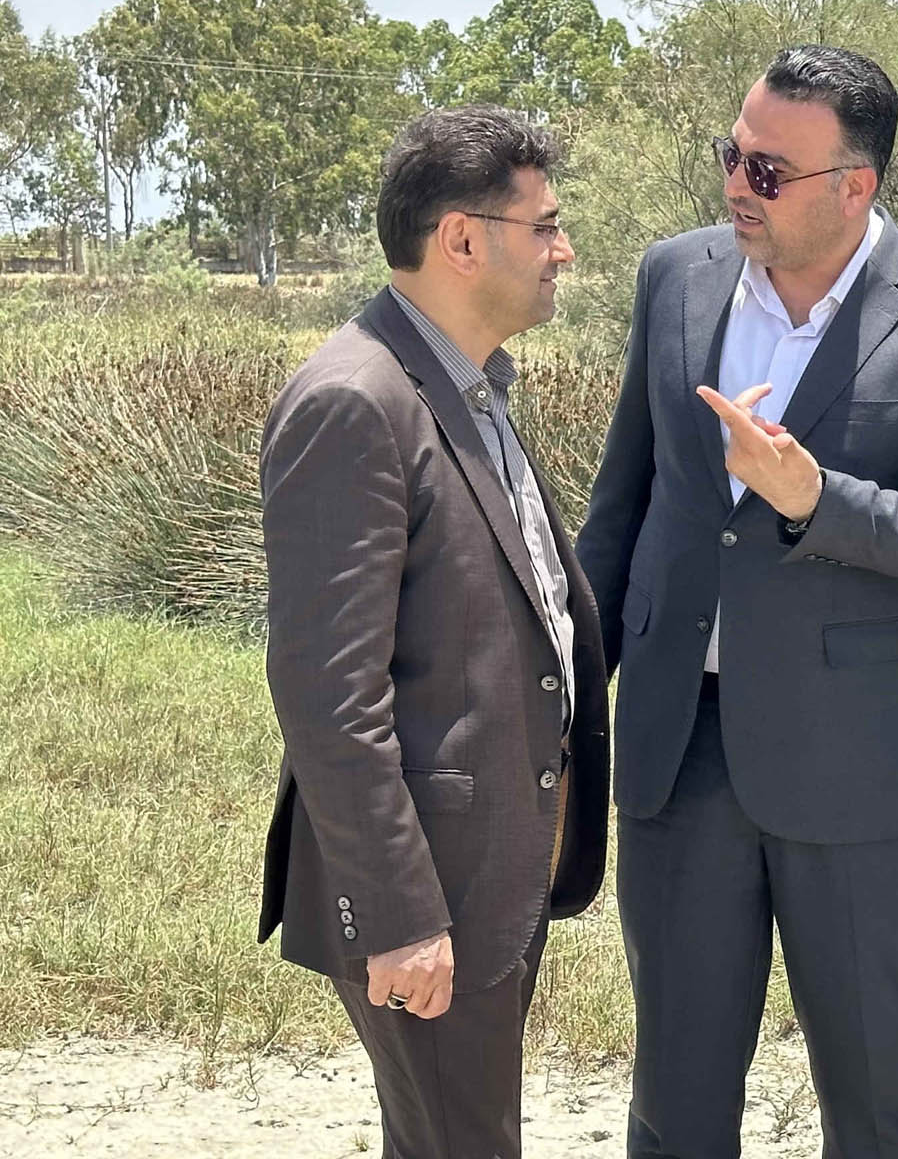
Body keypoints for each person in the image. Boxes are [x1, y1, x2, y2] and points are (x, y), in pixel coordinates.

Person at [574, 44, 898, 1159]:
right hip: (679, 750)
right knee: (675, 1102)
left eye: (768, 171)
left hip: (856, 768)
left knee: (871, 1104)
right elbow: (624, 502)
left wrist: (818, 500)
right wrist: (569, 694)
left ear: (855, 185)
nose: (738, 184)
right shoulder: (675, 276)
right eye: (732, 155)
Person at [257, 105, 610, 1159]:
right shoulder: (355, 401)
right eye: (543, 225)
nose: (562, 249)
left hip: (489, 863)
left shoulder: (469, 386)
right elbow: (329, 693)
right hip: (431, 884)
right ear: (461, 238)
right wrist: (401, 912)